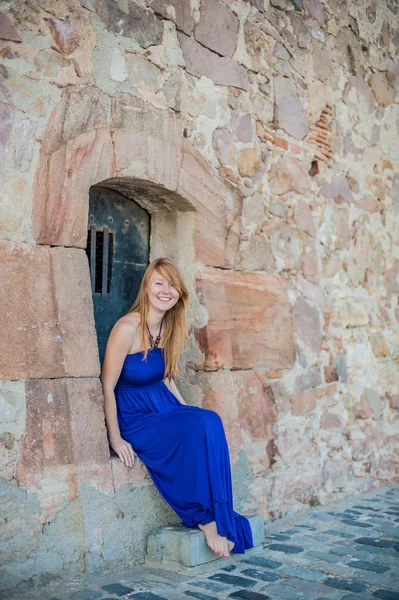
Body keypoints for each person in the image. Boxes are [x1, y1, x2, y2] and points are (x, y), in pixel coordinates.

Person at [100, 257, 253, 558]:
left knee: (208, 420)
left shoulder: (168, 328)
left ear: (179, 293)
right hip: (135, 416)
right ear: (146, 287)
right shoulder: (127, 327)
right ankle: (205, 519)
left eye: (172, 285)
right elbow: (106, 386)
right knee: (199, 424)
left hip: (162, 405)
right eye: (159, 283)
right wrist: (116, 438)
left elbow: (167, 378)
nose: (165, 290)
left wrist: (187, 414)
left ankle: (221, 513)